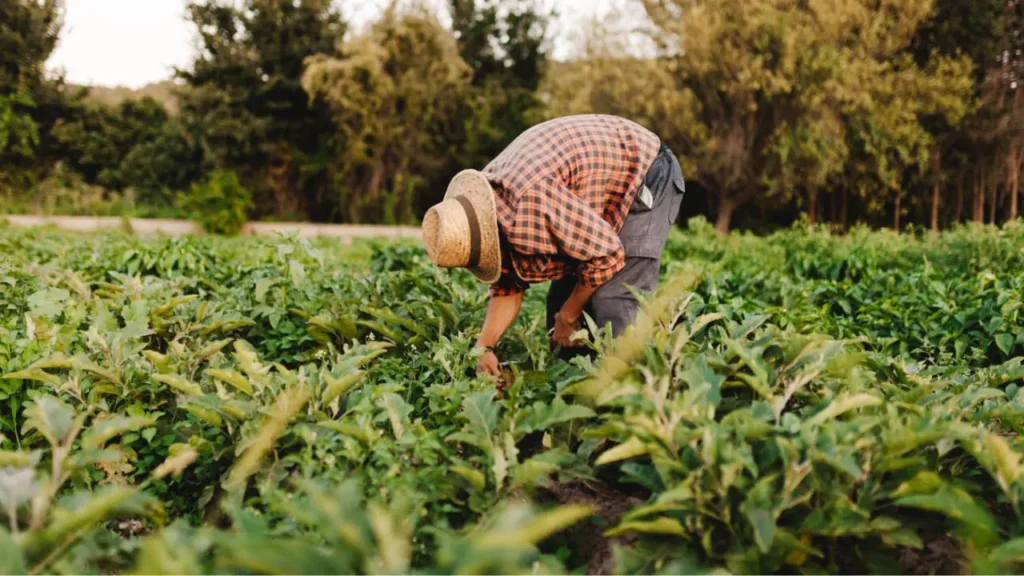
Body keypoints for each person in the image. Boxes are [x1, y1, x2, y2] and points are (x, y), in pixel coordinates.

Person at [421, 114, 685, 380]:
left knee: (614, 301)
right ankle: (574, 390)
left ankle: (636, 398)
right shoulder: (492, 208)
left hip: (645, 172)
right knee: (560, 301)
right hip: (590, 192)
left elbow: (606, 254)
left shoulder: (530, 201)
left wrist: (569, 316)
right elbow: (508, 286)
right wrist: (484, 347)